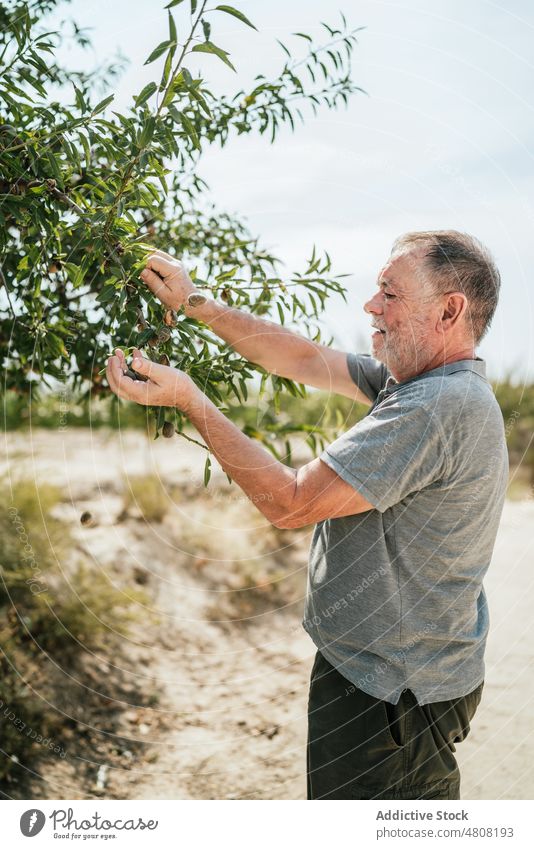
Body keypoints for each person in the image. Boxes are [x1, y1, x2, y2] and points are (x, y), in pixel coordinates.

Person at [106, 230, 508, 800]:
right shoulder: (419, 384)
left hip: (392, 696)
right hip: (391, 682)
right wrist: (195, 304)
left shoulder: (438, 406)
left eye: (389, 293)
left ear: (450, 310)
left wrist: (191, 401)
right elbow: (300, 358)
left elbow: (291, 502)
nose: (371, 305)